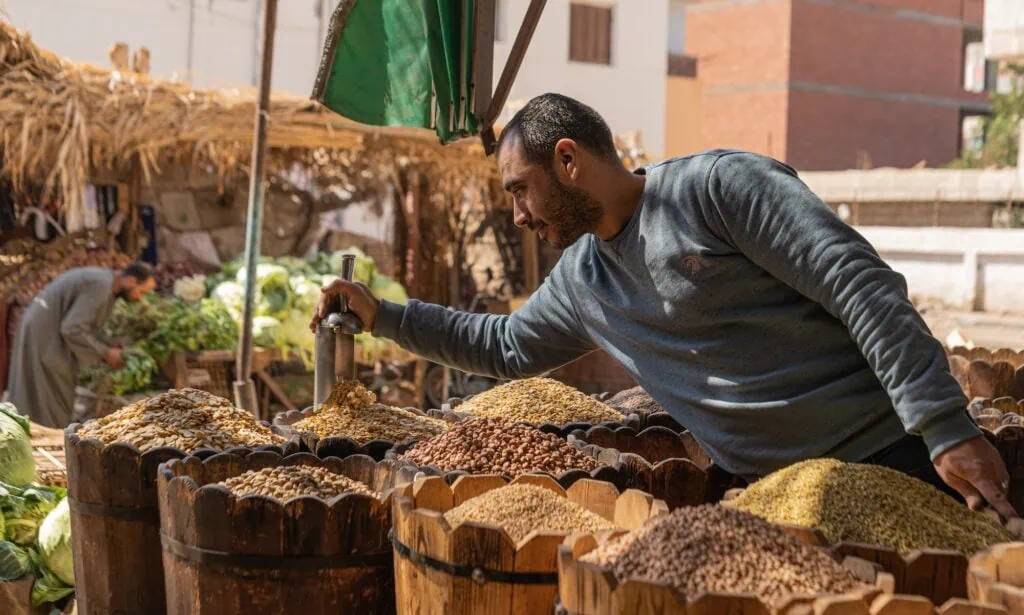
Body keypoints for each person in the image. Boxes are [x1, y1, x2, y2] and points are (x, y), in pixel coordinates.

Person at [312, 93, 1017, 519]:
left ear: (567, 159)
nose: (519, 214)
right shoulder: (583, 278)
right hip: (782, 498)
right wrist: (384, 315)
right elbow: (502, 347)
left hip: (899, 460)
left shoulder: (718, 190)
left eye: (519, 189)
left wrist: (943, 424)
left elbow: (858, 283)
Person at [8, 262, 156, 428]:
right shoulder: (101, 285)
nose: (140, 298)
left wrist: (106, 343)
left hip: (44, 331)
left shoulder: (106, 283)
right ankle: (48, 439)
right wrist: (106, 352)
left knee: (41, 394)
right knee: (51, 397)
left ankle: (37, 433)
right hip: (45, 336)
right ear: (131, 280)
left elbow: (85, 324)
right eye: (142, 292)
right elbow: (72, 328)